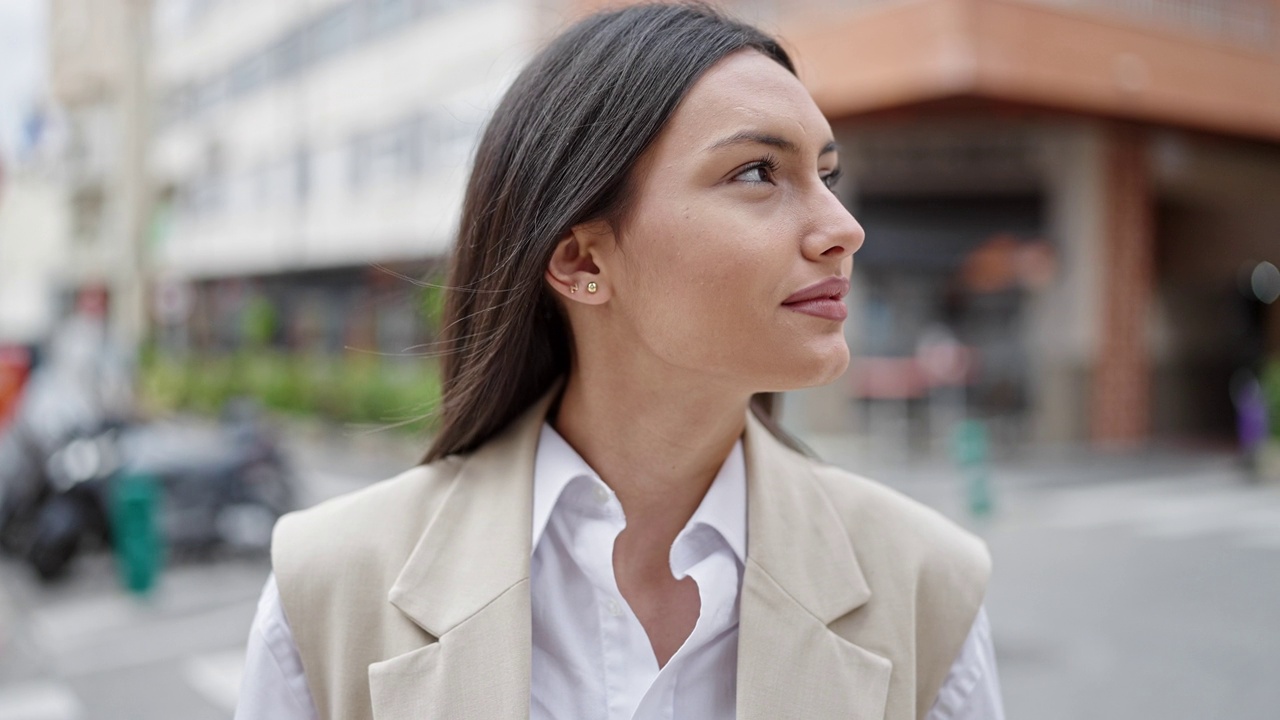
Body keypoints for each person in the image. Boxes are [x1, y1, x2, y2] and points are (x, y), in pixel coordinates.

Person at [234, 4, 1004, 719]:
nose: (844, 228)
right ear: (578, 260)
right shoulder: (330, 588)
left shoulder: (927, 589)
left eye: (825, 175)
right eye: (757, 173)